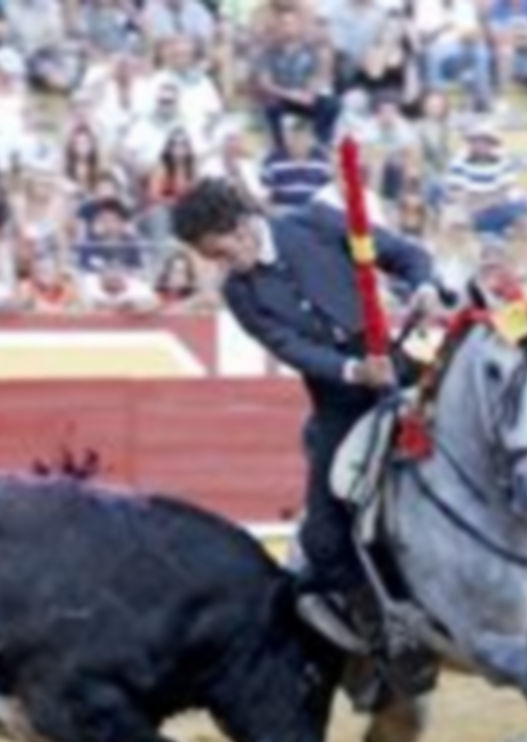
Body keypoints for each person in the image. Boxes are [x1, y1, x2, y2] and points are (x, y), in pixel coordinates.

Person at [171, 175, 442, 672]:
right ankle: (387, 632)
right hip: (340, 399)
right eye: (212, 259)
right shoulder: (240, 292)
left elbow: (402, 254)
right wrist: (353, 371)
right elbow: (290, 347)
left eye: (220, 252)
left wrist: (424, 286)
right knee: (322, 539)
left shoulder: (313, 223)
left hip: (402, 368)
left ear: (240, 225)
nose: (221, 265)